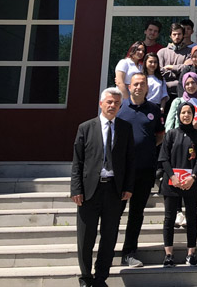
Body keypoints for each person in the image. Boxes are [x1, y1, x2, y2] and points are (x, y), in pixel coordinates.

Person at [71, 87, 134, 287]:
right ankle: (85, 277)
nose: (112, 105)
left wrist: (128, 187)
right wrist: (76, 189)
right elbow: (77, 162)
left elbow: (130, 160)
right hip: (90, 190)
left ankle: (100, 277)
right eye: (109, 102)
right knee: (85, 237)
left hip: (114, 190)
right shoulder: (86, 128)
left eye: (116, 103)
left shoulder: (125, 128)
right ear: (101, 104)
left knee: (109, 236)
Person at [115, 73, 164, 267]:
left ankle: (129, 253)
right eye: (135, 84)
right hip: (122, 171)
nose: (139, 87)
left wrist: (146, 147)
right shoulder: (120, 107)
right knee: (115, 212)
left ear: (147, 88)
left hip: (144, 170)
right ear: (129, 87)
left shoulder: (154, 110)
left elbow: (159, 135)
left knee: (137, 213)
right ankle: (106, 250)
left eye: (142, 84)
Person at [158, 102, 197, 267]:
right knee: (169, 218)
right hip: (172, 183)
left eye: (189, 112)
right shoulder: (171, 134)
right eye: (183, 112)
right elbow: (164, 158)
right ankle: (169, 254)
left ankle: (191, 254)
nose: (186, 115)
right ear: (178, 114)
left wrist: (193, 177)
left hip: (191, 183)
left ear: (193, 115)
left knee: (191, 217)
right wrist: (172, 176)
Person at [159, 23, 191, 97]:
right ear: (170, 36)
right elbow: (159, 71)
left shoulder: (189, 52)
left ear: (183, 35)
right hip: (163, 93)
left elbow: (188, 69)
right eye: (174, 34)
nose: (177, 37)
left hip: (182, 93)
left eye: (179, 34)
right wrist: (176, 74)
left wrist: (170, 67)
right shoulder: (162, 52)